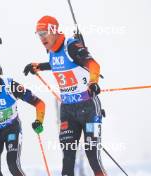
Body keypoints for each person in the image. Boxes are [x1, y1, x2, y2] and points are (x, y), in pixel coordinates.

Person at [23, 16, 106, 176]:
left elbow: (94, 64)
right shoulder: (52, 51)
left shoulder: (72, 46)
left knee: (92, 156)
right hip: (68, 110)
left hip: (89, 108)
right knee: (67, 158)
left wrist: (93, 82)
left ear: (54, 31)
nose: (41, 38)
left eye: (44, 33)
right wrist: (38, 66)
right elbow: (57, 65)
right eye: (38, 34)